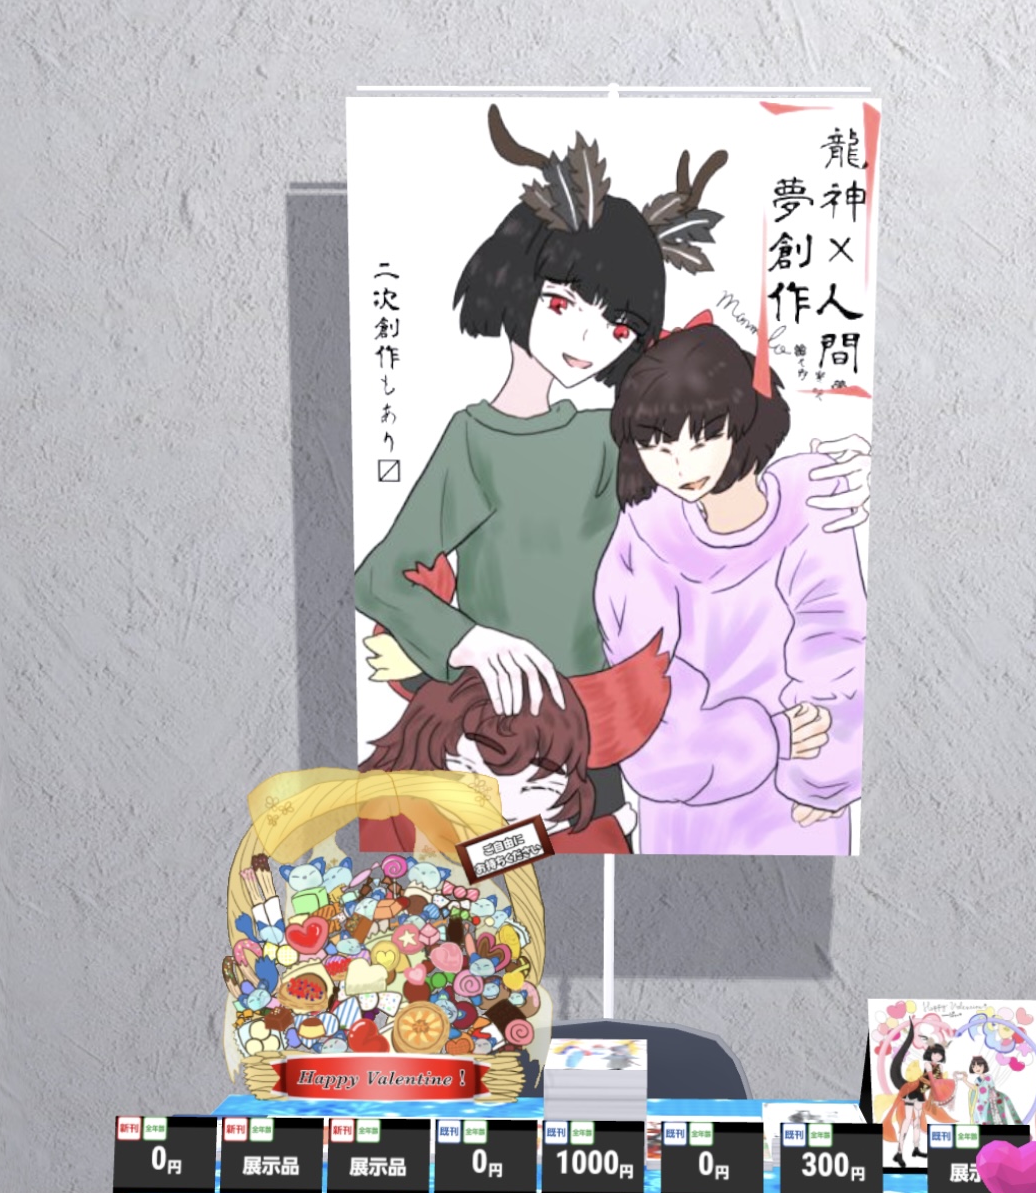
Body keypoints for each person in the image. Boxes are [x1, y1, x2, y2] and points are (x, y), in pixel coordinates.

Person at [353, 104, 869, 741]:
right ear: (514, 282)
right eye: (563, 303)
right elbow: (380, 577)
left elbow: (710, 483)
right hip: (505, 726)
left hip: (620, 719)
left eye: (618, 327)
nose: (588, 341)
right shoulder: (477, 442)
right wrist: (465, 641)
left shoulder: (609, 435)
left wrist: (815, 485)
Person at [595, 318, 866, 854]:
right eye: (657, 445)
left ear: (743, 421)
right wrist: (773, 737)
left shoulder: (812, 505)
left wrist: (825, 777)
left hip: (795, 808)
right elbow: (642, 707)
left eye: (703, 437)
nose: (680, 464)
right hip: (684, 816)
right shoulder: (645, 536)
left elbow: (840, 645)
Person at [360, 558, 670, 855]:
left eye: (534, 789)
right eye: (471, 779)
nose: (503, 810)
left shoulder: (572, 834)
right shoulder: (386, 816)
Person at [962, 1054, 1022, 1127]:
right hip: (980, 1101)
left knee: (991, 1116)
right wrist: (965, 1081)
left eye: (979, 1065)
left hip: (989, 1100)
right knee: (980, 1116)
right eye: (974, 1066)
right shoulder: (977, 1080)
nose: (976, 1068)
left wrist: (992, 1096)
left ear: (984, 1066)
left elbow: (990, 1088)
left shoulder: (988, 1077)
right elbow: (975, 1088)